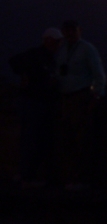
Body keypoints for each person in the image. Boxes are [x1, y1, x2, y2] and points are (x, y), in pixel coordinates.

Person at [8, 28, 63, 188]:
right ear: (48, 40)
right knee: (33, 140)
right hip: (34, 102)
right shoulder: (37, 55)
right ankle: (26, 176)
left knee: (31, 140)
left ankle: (24, 175)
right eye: (57, 41)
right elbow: (14, 62)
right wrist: (25, 76)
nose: (59, 44)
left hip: (36, 102)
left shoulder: (47, 57)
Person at [55, 20, 107, 191]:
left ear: (79, 31)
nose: (70, 34)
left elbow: (98, 74)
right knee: (67, 139)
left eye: (73, 30)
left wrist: (97, 96)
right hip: (65, 98)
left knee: (81, 139)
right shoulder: (62, 49)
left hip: (80, 97)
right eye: (67, 31)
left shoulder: (87, 49)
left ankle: (81, 179)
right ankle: (70, 178)